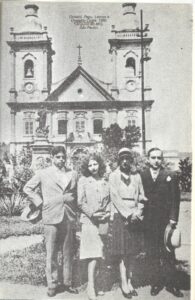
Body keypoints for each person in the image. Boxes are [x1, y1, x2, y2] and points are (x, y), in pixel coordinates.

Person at [23, 146, 78, 297]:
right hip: (51, 215)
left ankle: (68, 282)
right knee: (51, 252)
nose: (61, 160)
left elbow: (76, 193)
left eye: (63, 157)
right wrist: (40, 202)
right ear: (52, 158)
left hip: (68, 216)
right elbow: (27, 188)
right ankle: (52, 284)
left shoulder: (72, 173)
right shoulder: (43, 173)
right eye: (58, 157)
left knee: (68, 251)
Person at [141, 147, 183, 297]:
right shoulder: (142, 175)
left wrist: (173, 218)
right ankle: (156, 282)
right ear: (148, 159)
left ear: (162, 159)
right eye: (153, 157)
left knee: (168, 253)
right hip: (148, 221)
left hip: (166, 221)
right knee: (152, 253)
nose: (156, 160)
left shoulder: (169, 175)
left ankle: (172, 284)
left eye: (159, 157)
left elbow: (175, 199)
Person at [109, 148, 147, 299]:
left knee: (132, 251)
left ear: (131, 160)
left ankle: (130, 281)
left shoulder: (136, 176)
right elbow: (115, 197)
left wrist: (139, 212)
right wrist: (129, 214)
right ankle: (123, 283)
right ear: (119, 160)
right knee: (123, 252)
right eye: (122, 158)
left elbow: (142, 196)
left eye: (128, 158)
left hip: (136, 216)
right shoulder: (113, 176)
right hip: (121, 216)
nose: (125, 161)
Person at [78, 154, 110, 300]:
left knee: (101, 253)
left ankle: (98, 284)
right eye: (90, 165)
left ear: (100, 165)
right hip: (89, 221)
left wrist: (107, 213)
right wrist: (92, 214)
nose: (93, 168)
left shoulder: (105, 181)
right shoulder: (83, 181)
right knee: (92, 254)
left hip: (103, 221)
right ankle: (91, 286)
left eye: (95, 164)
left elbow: (109, 201)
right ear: (87, 167)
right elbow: (80, 202)